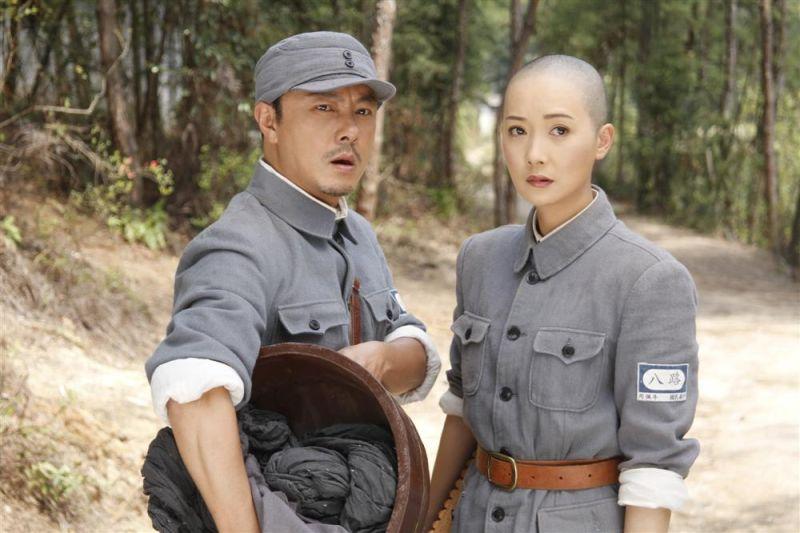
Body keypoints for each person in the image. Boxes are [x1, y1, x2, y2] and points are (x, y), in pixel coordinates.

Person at [144, 31, 441, 532]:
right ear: (269, 120)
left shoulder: (357, 233)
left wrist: (385, 360)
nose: (349, 131)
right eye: (324, 108)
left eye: (363, 111)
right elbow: (191, 389)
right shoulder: (240, 244)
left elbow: (410, 344)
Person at [425, 55, 699, 533]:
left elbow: (654, 464)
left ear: (602, 140)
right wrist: (422, 519)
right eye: (517, 131)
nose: (534, 153)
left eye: (559, 131)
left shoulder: (650, 280)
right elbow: (462, 411)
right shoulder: (479, 259)